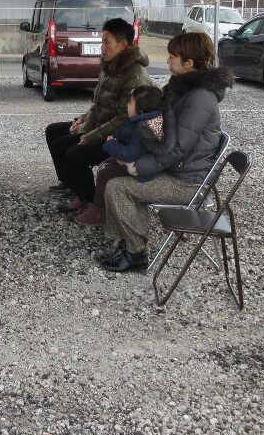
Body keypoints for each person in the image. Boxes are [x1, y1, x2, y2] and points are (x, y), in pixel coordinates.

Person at [97, 31, 234, 273]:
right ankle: (126, 244)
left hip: (188, 183)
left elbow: (176, 149)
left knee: (119, 187)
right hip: (178, 171)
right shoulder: (183, 88)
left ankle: (135, 254)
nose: (168, 61)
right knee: (116, 177)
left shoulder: (200, 98)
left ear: (189, 63)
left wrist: (137, 166)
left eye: (172, 56)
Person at [44, 17, 151, 215]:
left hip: (120, 136)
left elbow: (122, 119)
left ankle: (88, 201)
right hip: (102, 124)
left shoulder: (134, 74)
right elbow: (98, 103)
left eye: (106, 41)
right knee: (54, 131)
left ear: (123, 45)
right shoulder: (109, 65)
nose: (101, 46)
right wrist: (82, 122)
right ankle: (70, 183)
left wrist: (89, 136)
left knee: (73, 153)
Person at [72, 84, 168, 227]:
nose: (127, 105)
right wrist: (114, 140)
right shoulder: (141, 121)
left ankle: (99, 212)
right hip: (135, 161)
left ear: (140, 110)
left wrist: (111, 144)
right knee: (106, 166)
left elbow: (131, 154)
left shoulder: (143, 128)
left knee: (105, 174)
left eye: (130, 103)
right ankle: (104, 208)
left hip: (139, 168)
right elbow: (124, 134)